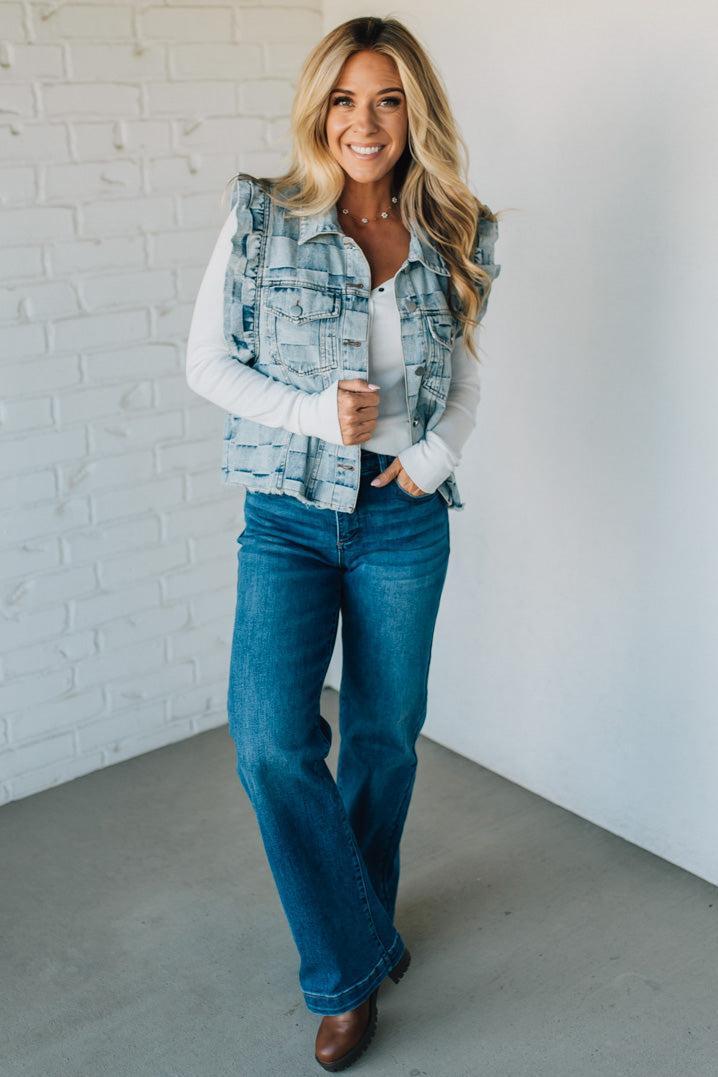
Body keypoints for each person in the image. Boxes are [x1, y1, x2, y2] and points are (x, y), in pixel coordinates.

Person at [185, 15, 502, 1071]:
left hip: (403, 516)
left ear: (416, 112)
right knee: (270, 740)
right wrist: (317, 416)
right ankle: (354, 959)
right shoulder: (261, 217)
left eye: (387, 100)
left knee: (382, 737)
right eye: (344, 100)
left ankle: (345, 966)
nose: (364, 123)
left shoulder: (455, 228)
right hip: (287, 514)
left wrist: (435, 456)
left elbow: (464, 378)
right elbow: (207, 364)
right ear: (318, 109)